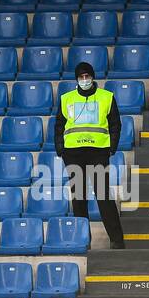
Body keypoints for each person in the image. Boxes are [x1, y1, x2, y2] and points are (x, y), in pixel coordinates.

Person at [53, 62, 125, 248]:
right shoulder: (66, 98)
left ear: (93, 77)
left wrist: (112, 147)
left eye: (87, 76)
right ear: (77, 79)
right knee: (79, 197)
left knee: (103, 196)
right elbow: (59, 125)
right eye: (81, 77)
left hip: (98, 153)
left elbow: (115, 124)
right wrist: (60, 148)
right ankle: (82, 241)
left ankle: (117, 240)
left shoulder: (106, 97)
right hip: (73, 154)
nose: (84, 80)